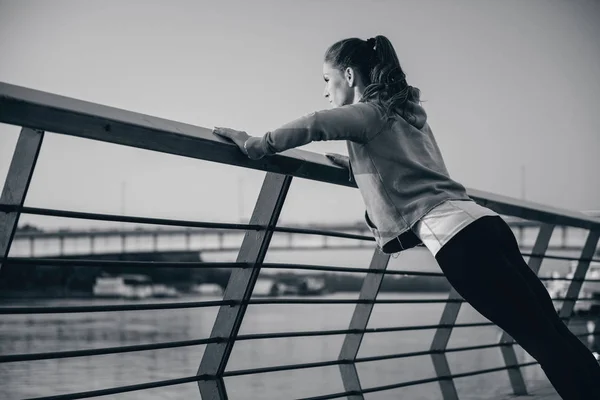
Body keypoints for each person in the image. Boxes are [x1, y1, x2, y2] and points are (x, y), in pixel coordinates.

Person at [212, 35, 600, 399]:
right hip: (486, 224)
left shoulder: (366, 113)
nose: (326, 90)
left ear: (349, 75)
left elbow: (315, 123)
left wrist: (255, 144)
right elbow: (408, 169)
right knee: (553, 334)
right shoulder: (406, 114)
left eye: (328, 79)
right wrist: (358, 165)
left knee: (541, 342)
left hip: (459, 241)